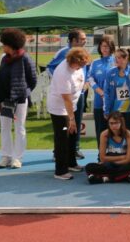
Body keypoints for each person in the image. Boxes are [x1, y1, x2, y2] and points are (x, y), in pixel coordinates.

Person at [0, 28, 37, 169]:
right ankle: (6, 155)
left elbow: (33, 79)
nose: (2, 46)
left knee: (20, 128)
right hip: (5, 99)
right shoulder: (3, 58)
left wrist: (23, 92)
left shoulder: (25, 58)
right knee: (4, 128)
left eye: (4, 43)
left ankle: (17, 158)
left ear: (11, 44)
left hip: (20, 99)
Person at [47, 47, 91, 180]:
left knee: (72, 134)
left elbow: (82, 83)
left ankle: (71, 162)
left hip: (73, 104)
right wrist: (71, 119)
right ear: (73, 61)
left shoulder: (79, 68)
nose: (81, 67)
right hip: (59, 109)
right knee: (62, 137)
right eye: (80, 64)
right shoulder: (62, 72)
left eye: (83, 65)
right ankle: (60, 170)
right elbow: (66, 99)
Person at [46, 29, 88, 159]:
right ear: (74, 40)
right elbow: (50, 67)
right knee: (64, 126)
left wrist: (85, 83)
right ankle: (57, 152)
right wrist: (61, 84)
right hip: (64, 96)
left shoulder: (84, 53)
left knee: (77, 123)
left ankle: (74, 149)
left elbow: (85, 70)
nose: (85, 41)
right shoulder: (63, 52)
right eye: (82, 39)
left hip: (79, 93)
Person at [102, 48, 130, 161]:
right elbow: (106, 92)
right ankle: (118, 160)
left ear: (126, 58)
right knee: (118, 138)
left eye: (120, 58)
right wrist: (106, 110)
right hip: (116, 113)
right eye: (115, 58)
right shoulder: (111, 73)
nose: (117, 60)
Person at [85, 111, 130, 184]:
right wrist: (121, 157)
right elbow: (102, 158)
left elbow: (129, 159)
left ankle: (105, 178)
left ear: (121, 123)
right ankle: (125, 177)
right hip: (110, 163)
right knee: (89, 167)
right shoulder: (104, 135)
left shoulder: (129, 135)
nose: (114, 126)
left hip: (123, 164)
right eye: (111, 123)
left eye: (116, 123)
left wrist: (115, 163)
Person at [87, 35, 115, 150]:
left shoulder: (117, 61)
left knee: (115, 131)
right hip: (99, 102)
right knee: (101, 131)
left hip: (114, 103)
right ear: (100, 47)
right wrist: (99, 91)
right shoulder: (95, 62)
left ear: (111, 48)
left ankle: (116, 154)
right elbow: (90, 78)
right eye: (103, 46)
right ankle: (101, 156)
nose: (105, 48)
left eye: (108, 46)